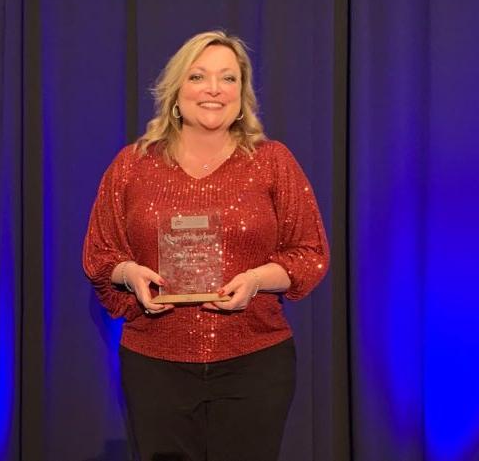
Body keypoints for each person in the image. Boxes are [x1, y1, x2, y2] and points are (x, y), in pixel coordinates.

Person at [83, 30, 329, 461]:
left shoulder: (273, 162)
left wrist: (255, 280)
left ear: (242, 93)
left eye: (228, 78)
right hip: (155, 364)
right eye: (199, 76)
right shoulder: (132, 165)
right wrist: (130, 274)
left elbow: (308, 253)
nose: (214, 89)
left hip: (256, 362)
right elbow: (102, 256)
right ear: (177, 92)